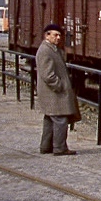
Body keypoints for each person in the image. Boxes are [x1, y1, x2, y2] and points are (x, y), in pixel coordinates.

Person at [36, 23, 79, 156]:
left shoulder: (51, 49)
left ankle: (46, 146)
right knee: (60, 120)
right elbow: (48, 75)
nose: (58, 38)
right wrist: (59, 86)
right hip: (53, 93)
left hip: (51, 92)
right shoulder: (45, 51)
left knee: (50, 119)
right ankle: (60, 148)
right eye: (55, 35)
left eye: (60, 35)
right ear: (47, 35)